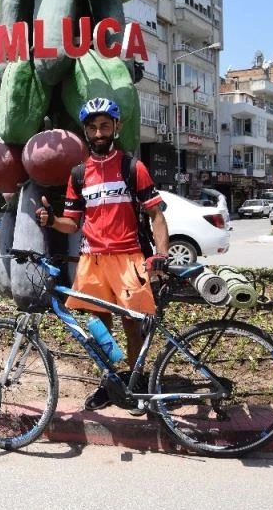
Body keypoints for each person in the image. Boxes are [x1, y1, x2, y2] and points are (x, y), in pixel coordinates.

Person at [34, 97, 170, 414]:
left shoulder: (132, 167)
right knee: (99, 324)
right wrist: (51, 220)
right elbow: (72, 223)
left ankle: (136, 381)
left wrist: (161, 255)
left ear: (116, 128)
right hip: (91, 260)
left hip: (128, 257)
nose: (99, 133)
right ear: (85, 131)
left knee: (132, 324)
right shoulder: (79, 174)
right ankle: (111, 382)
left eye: (105, 126)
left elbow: (157, 216)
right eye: (93, 127)